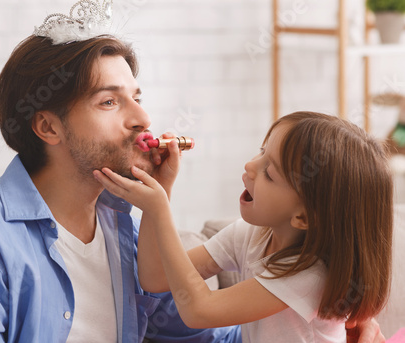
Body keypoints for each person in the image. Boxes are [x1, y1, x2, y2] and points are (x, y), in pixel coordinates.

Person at [0, 4, 385, 341]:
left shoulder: (122, 228)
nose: (142, 120)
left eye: (138, 97)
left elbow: (199, 325)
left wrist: (332, 324)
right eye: (110, 102)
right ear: (47, 125)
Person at [94, 111, 393, 343]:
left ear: (303, 218)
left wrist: (160, 210)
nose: (250, 166)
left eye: (269, 173)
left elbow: (200, 310)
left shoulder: (309, 275)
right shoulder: (252, 233)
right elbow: (155, 279)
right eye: (262, 152)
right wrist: (162, 189)